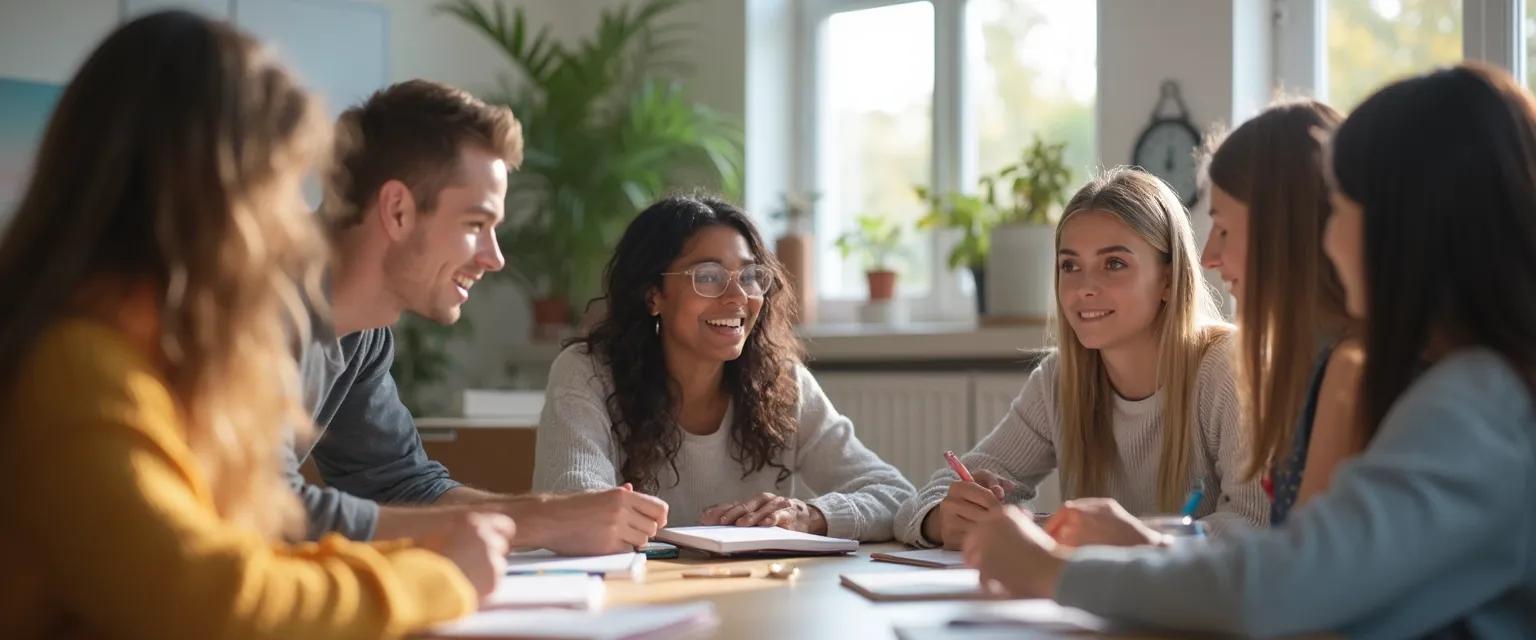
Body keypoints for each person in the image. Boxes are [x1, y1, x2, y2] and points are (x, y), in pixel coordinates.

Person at [964, 63, 1536, 639]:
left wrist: (1051, 571)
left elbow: (1290, 586)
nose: (1325, 237)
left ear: (1409, 224)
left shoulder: (1477, 403)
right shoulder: (1422, 382)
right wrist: (1149, 547)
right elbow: (1311, 571)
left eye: (1338, 209)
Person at [0, 11, 509, 638]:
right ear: (204, 196)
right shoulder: (78, 368)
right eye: (278, 188)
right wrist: (435, 577)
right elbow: (212, 599)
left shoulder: (148, 355)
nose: (298, 225)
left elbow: (242, 547)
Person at [294, 79, 668, 553]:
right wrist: (540, 520)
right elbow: (253, 510)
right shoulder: (252, 303)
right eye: (476, 224)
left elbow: (398, 483)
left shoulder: (362, 335)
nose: (494, 258)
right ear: (398, 211)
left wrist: (555, 516)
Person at [894, 167, 1268, 550]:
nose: (1084, 288)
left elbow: (1255, 525)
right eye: (1070, 266)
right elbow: (915, 507)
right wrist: (941, 518)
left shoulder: (1229, 369)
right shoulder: (1059, 380)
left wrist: (1137, 539)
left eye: (1114, 264)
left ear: (1168, 281)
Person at [532, 194, 914, 540]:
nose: (738, 296)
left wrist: (810, 515)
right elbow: (575, 507)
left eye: (749, 276)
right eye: (708, 277)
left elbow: (895, 496)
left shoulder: (780, 382)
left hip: (752, 589)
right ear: (653, 295)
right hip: (634, 591)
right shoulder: (588, 373)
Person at [1200, 99, 1364, 526]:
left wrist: (1139, 546)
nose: (1208, 257)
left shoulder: (1347, 366)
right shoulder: (1309, 360)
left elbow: (1305, 559)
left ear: (1281, 229)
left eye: (1223, 229)